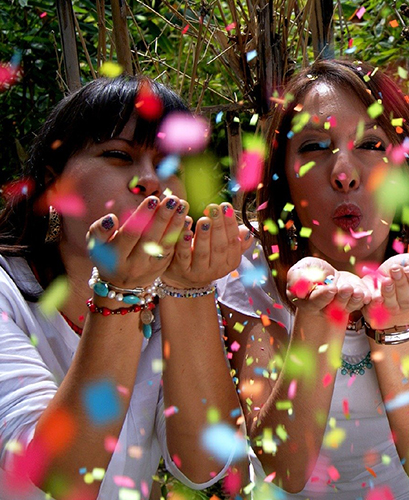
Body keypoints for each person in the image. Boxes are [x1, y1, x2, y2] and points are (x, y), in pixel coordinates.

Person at [216, 59, 409, 499]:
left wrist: (395, 325)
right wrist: (316, 320)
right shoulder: (249, 268)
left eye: (371, 144)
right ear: (282, 177)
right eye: (314, 147)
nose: (344, 173)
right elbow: (283, 468)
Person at [0, 76, 250, 499]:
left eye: (170, 163)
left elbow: (207, 466)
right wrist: (120, 294)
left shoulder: (165, 295)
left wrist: (188, 289)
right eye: (118, 155)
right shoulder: (8, 293)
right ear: (53, 184)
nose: (150, 182)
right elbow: (61, 474)